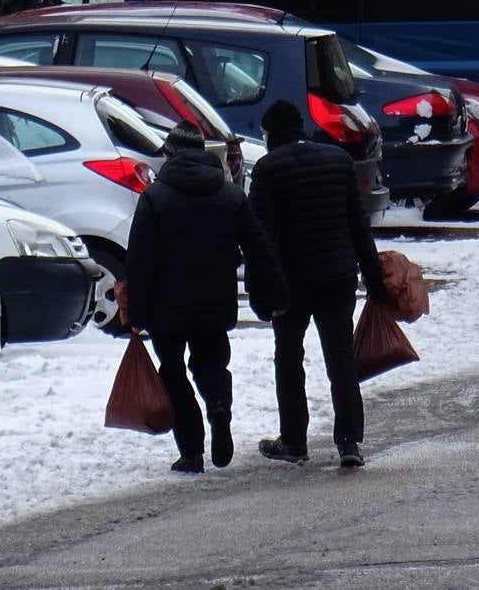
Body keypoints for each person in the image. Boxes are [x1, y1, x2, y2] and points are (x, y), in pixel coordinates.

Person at [126, 121, 286, 474]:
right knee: (212, 364)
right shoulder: (230, 195)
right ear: (202, 152)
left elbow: (140, 259)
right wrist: (276, 294)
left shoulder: (155, 197)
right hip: (216, 301)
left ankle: (192, 451)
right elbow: (260, 248)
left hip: (166, 307)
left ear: (170, 155)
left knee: (173, 371)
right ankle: (219, 407)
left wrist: (136, 312)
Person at [250, 99, 387, 468]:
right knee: (341, 357)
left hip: (290, 283)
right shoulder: (338, 161)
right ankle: (349, 443)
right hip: (337, 277)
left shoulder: (267, 170)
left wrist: (262, 296)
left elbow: (258, 239)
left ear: (272, 134)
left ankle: (294, 441)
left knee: (289, 358)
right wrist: (375, 280)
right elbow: (359, 226)